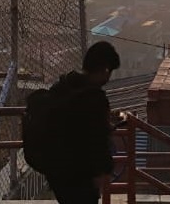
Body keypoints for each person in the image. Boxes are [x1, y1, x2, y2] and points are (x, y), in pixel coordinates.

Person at [43, 41, 121, 204]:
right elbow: (97, 140)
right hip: (81, 177)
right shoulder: (95, 98)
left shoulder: (62, 87)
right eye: (110, 72)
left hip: (57, 173)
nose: (108, 78)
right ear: (105, 69)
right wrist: (105, 169)